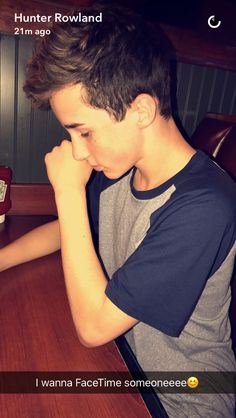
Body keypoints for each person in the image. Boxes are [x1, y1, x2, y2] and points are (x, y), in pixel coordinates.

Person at [0, 3, 236, 417]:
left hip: (182, 398)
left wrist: (69, 192)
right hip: (121, 365)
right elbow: (65, 231)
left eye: (85, 132)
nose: (77, 150)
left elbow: (94, 327)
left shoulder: (205, 205)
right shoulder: (118, 172)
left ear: (141, 110)